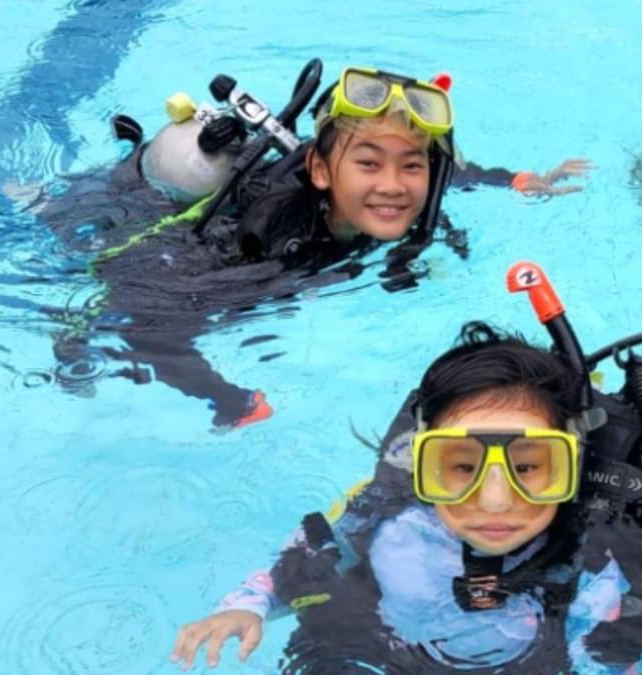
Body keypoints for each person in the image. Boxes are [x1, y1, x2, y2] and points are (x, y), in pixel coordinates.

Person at [34, 65, 592, 428]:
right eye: (368, 164)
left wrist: (516, 179)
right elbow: (150, 328)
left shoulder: (397, 196)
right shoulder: (270, 244)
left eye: (411, 165)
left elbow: (455, 172)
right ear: (321, 172)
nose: (394, 185)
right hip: (116, 227)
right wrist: (230, 402)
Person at [169, 322, 642, 673]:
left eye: (529, 468)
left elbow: (604, 658)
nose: (495, 500)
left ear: (571, 470)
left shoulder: (592, 562)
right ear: (424, 464)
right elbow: (300, 563)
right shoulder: (384, 515)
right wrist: (247, 609)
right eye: (463, 466)